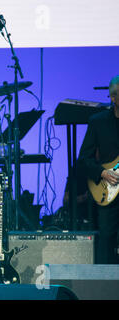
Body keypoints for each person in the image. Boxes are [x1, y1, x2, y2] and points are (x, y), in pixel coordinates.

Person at [78, 75, 119, 264]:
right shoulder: (98, 121)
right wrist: (102, 172)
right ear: (112, 97)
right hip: (108, 190)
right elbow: (84, 159)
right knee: (107, 240)